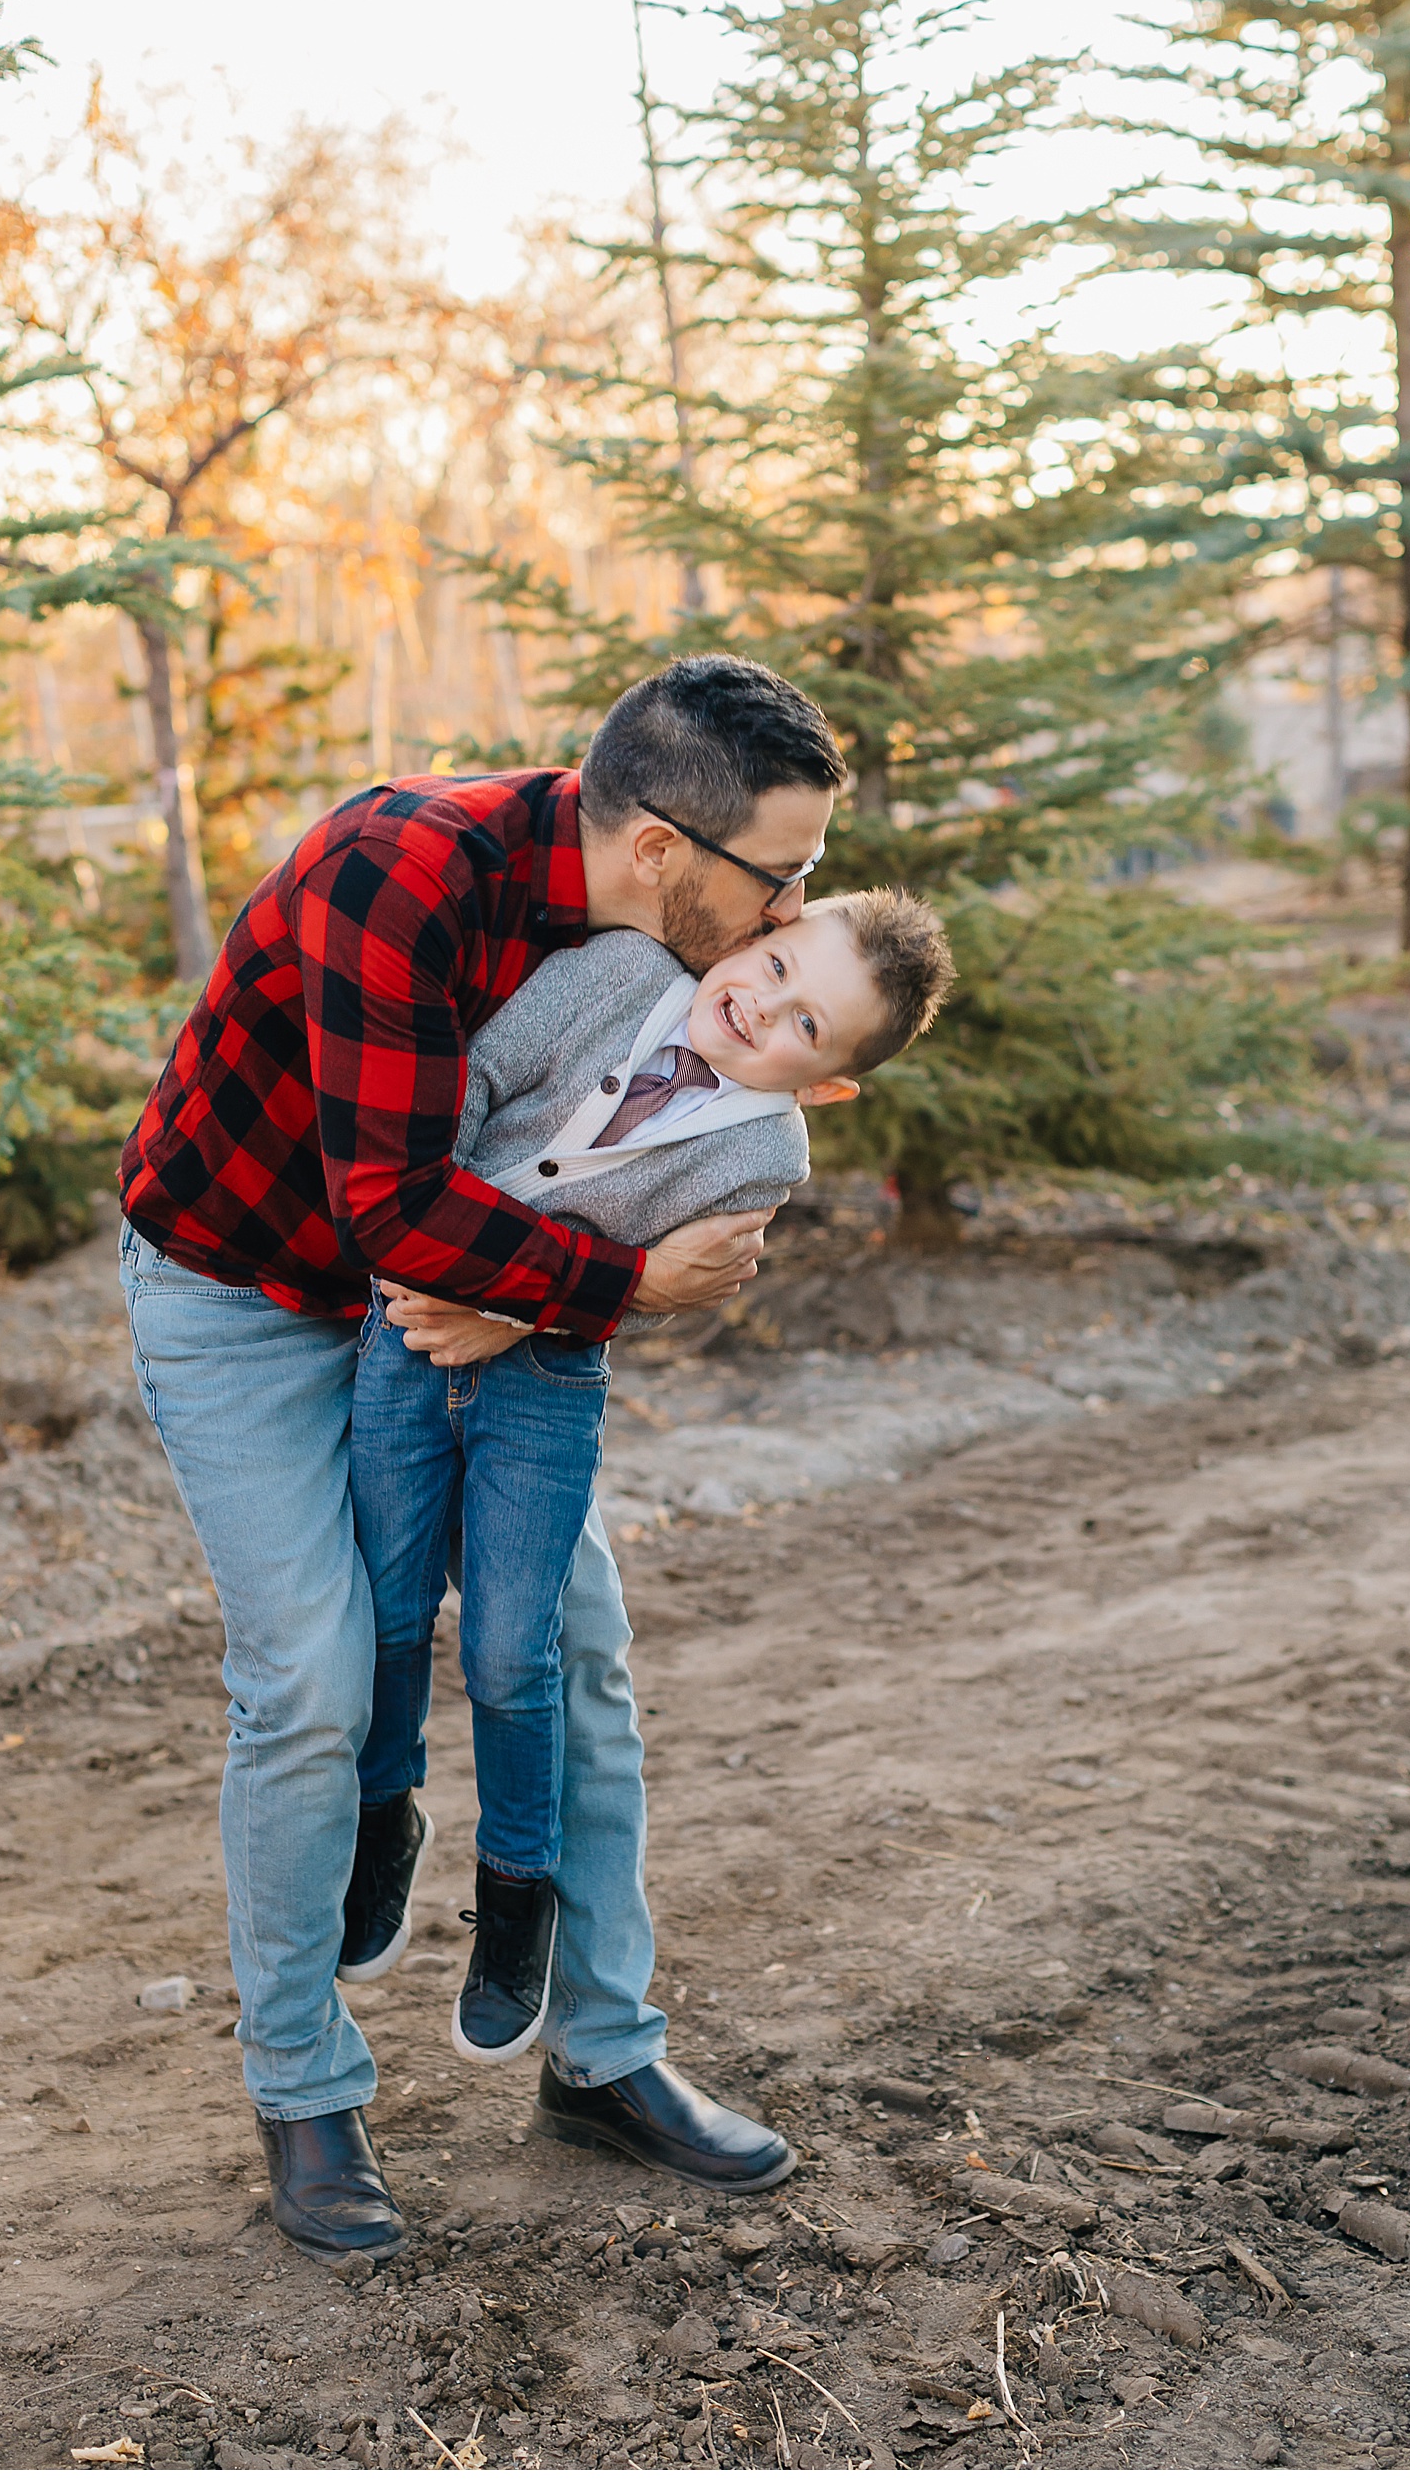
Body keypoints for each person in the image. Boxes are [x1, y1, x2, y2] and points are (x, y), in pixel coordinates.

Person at [117, 654, 846, 2263]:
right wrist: (631, 1285)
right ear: (662, 845)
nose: (799, 904)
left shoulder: (668, 944)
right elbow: (390, 1204)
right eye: (780, 872)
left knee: (572, 1649)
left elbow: (618, 1158)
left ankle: (602, 2048)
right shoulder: (405, 874)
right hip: (250, 1286)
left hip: (466, 1314)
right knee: (309, 1671)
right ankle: (304, 2082)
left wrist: (688, 1233)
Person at [348, 892, 954, 2075]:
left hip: (546, 1391)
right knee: (384, 1610)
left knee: (518, 1651)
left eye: (805, 1025)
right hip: (406, 1334)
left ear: (826, 1083)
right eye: (775, 962)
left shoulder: (763, 1153)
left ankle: (518, 1890)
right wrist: (467, 1275)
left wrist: (509, 1302)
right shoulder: (614, 972)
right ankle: (385, 1814)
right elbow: (455, 1097)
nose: (762, 1002)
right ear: (751, 931)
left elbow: (668, 1288)